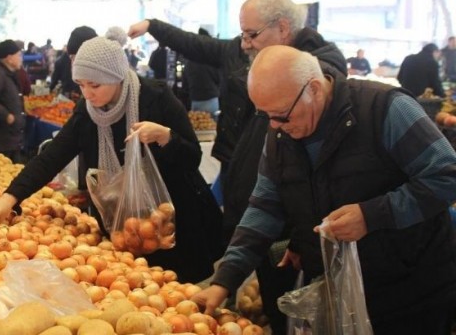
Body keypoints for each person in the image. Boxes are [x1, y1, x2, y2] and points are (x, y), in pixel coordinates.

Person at [192, 45, 456, 334]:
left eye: (281, 114)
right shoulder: (281, 131)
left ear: (314, 89)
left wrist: (371, 215)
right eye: (265, 114)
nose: (274, 126)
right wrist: (224, 280)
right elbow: (265, 206)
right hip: (341, 290)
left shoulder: (384, 108)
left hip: (411, 289)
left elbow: (446, 175)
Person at [128, 0, 347, 335]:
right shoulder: (246, 54)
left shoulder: (316, 77)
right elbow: (197, 46)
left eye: (252, 34)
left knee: (285, 286)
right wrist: (154, 25)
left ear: (283, 29)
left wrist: (303, 233)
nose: (244, 43)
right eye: (242, 33)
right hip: (245, 171)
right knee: (249, 246)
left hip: (290, 202)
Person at [0, 28, 224, 284]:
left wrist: (165, 137)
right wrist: (12, 195)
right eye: (82, 85)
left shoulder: (156, 97)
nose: (87, 93)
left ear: (116, 76)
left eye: (94, 85)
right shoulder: (87, 113)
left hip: (172, 222)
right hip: (122, 226)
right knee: (134, 288)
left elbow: (192, 157)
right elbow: (52, 157)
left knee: (177, 292)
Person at [182, 29, 221, 120]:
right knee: (213, 129)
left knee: (197, 128)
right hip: (211, 99)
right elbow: (220, 79)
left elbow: (185, 84)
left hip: (195, 100)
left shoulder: (189, 61)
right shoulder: (211, 59)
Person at [50, 25, 98, 98]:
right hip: (69, 96)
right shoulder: (61, 61)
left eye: (78, 57)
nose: (74, 63)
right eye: (72, 58)